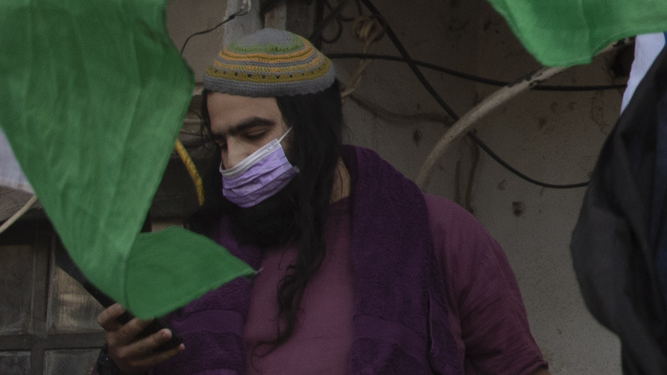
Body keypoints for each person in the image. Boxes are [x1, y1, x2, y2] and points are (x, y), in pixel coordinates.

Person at [95, 29, 549, 375]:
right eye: (221, 143)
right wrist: (121, 363)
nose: (233, 160)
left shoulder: (439, 234)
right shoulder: (201, 257)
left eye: (253, 135)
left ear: (315, 128)